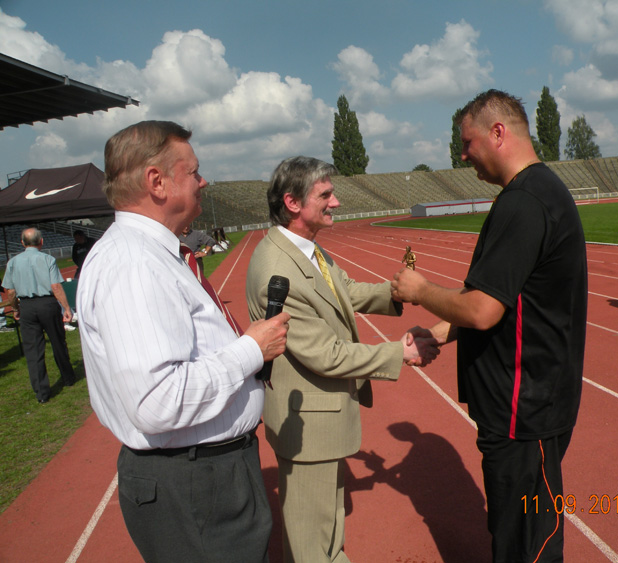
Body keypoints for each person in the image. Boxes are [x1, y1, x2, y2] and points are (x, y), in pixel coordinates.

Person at [77, 121, 290, 563]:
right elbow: (158, 401)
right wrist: (251, 350)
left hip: (201, 473)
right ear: (156, 182)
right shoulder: (135, 264)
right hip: (196, 482)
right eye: (193, 172)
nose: (203, 181)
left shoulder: (150, 254)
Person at [390, 89, 588, 562]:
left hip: (524, 411)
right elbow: (509, 296)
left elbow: (483, 309)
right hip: (523, 406)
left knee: (527, 543)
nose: (462, 155)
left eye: (467, 142)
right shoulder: (535, 193)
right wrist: (442, 332)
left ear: (498, 133)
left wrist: (419, 290)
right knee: (512, 531)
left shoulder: (524, 202)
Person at [245, 156, 439, 563]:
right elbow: (326, 355)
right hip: (307, 427)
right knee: (313, 548)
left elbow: (344, 290)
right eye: (325, 195)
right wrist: (400, 352)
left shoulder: (304, 250)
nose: (336, 202)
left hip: (318, 422)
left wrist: (397, 292)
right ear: (293, 203)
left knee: (326, 540)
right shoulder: (279, 269)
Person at [1, 228, 76, 402]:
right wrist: (66, 308)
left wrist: (16, 309)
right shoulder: (47, 259)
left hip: (27, 306)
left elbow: (10, 291)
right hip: (47, 304)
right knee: (58, 342)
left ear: (22, 243)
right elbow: (55, 286)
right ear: (41, 241)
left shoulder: (13, 262)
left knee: (33, 351)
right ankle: (68, 377)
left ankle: (42, 393)